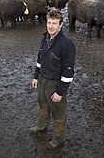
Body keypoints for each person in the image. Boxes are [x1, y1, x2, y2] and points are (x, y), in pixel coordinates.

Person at [30, 9, 76, 149]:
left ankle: (58, 138)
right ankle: (42, 125)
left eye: (54, 23)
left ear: (61, 25)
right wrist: (36, 76)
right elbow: (40, 59)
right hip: (42, 80)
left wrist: (60, 92)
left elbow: (68, 71)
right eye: (49, 23)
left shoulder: (66, 45)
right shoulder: (45, 39)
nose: (50, 26)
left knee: (58, 112)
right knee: (43, 105)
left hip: (55, 84)